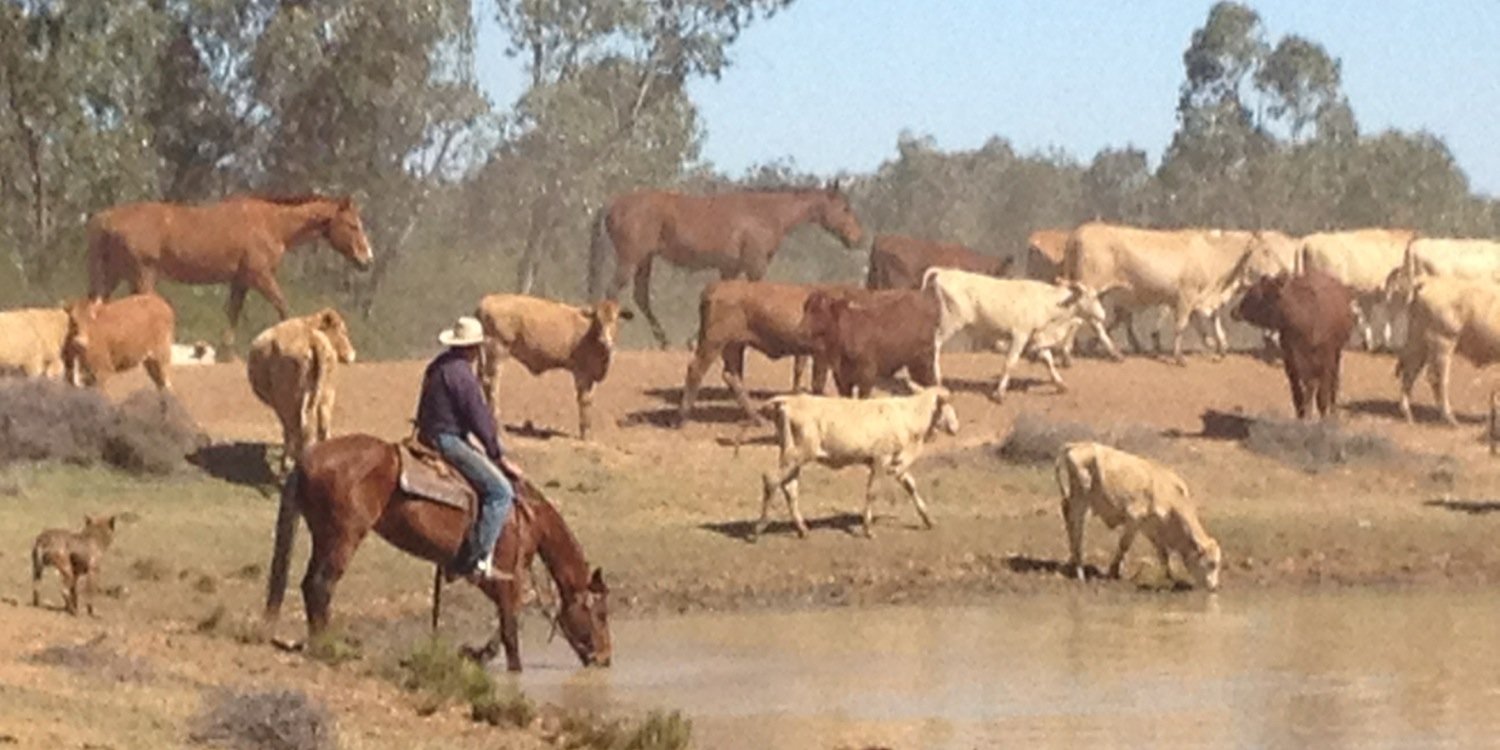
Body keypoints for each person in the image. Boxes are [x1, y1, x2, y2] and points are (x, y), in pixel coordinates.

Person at [416, 315, 524, 583]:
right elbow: (480, 419)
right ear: (473, 348)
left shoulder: (438, 366)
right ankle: (475, 559)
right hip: (447, 440)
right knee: (500, 492)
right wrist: (498, 456)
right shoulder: (462, 375)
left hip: (427, 435)